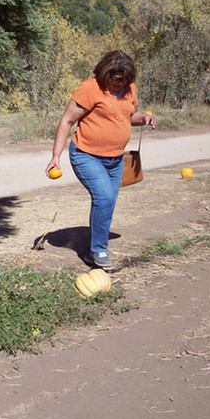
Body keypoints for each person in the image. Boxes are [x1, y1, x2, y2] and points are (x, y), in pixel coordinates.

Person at [45, 51, 155, 271]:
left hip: (115, 159)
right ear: (105, 73)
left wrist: (143, 118)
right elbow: (67, 121)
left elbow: (126, 115)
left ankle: (90, 252)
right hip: (86, 155)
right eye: (115, 79)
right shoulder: (90, 89)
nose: (119, 83)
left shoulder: (129, 90)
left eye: (123, 79)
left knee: (107, 203)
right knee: (104, 197)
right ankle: (99, 250)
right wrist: (56, 156)